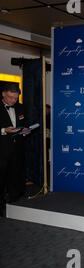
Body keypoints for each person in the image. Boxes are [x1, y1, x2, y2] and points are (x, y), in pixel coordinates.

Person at [0, 82, 29, 217]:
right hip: (2, 150)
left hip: (17, 149)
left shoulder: (21, 107)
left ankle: (14, 205)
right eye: (10, 97)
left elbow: (24, 123)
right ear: (3, 94)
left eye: (15, 98)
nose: (13, 101)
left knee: (15, 177)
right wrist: (4, 130)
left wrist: (25, 130)